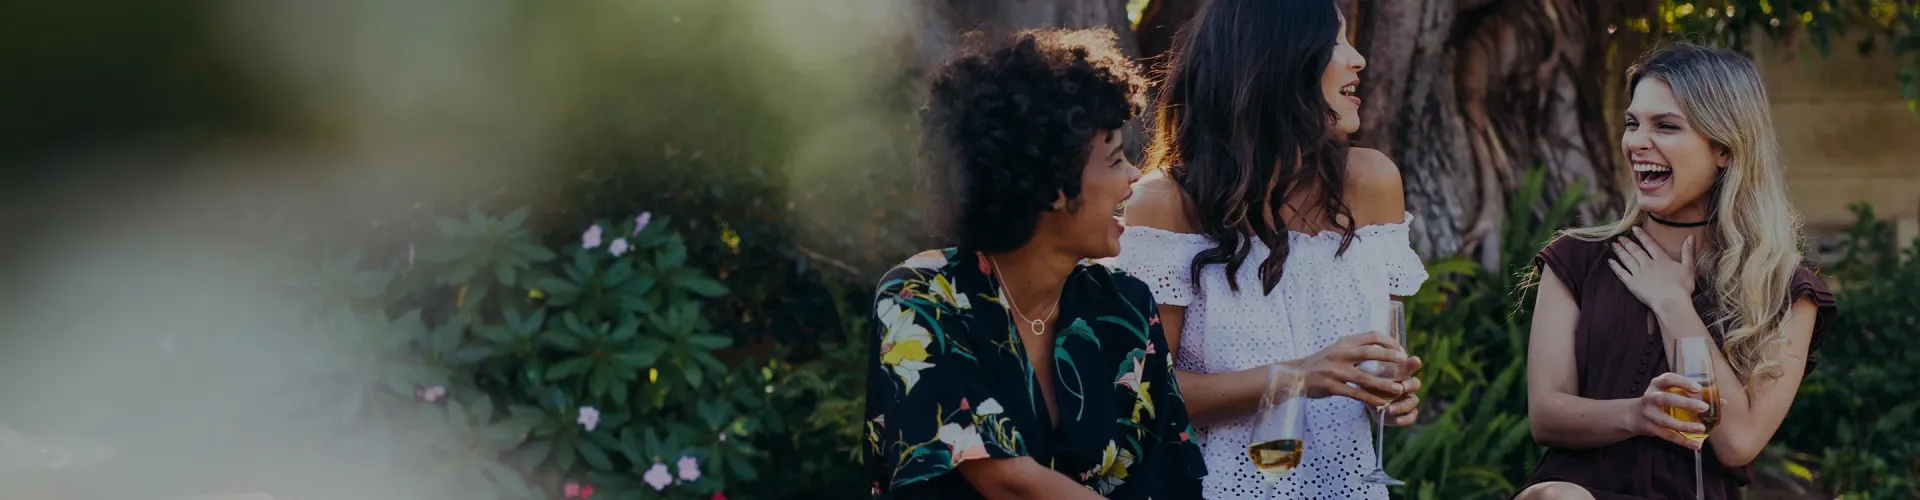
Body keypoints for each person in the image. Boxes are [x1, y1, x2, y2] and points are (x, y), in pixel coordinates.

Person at [862, 28, 1206, 499]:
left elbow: (1170, 477)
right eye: (1114, 159)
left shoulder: (1125, 307)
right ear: (1048, 185)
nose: (1133, 176)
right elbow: (1006, 481)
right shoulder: (923, 297)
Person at [1115, 0, 1428, 498]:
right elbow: (1143, 395)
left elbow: (1383, 355)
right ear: (1276, 61)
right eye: (1336, 41)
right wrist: (1297, 376)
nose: (1358, 59)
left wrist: (1389, 396)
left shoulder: (1373, 183)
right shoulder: (1164, 204)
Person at [1515, 43, 1838, 500]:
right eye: (1633, 124)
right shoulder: (1576, 260)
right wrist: (1637, 414)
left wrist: (1672, 304)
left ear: (1724, 149)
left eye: (1666, 126)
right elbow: (1546, 415)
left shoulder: (1783, 289)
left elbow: (1737, 442)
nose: (1637, 142)